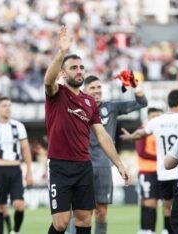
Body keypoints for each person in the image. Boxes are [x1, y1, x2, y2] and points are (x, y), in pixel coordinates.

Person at [44, 26, 131, 234]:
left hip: (84, 166)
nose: (79, 71)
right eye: (74, 67)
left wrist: (119, 164)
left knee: (84, 220)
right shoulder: (57, 93)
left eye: (82, 67)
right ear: (63, 73)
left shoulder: (89, 101)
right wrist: (62, 52)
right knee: (61, 223)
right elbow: (48, 80)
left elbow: (101, 134)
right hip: (60, 166)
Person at [65, 74, 147, 234]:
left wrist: (134, 84)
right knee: (81, 212)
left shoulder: (111, 107)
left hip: (104, 166)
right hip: (82, 165)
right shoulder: (75, 108)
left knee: (101, 213)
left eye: (99, 87)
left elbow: (142, 103)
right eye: (92, 88)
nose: (96, 91)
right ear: (84, 91)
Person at [120, 89, 178, 234]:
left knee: (167, 207)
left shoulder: (156, 122)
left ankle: (166, 231)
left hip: (163, 174)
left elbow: (140, 134)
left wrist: (130, 137)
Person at [0, 97, 33, 234]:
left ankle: (15, 231)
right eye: (4, 106)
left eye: (9, 105)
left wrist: (29, 171)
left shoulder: (18, 126)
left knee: (19, 205)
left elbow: (25, 149)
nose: (8, 108)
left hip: (16, 169)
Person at [135, 108, 163, 234]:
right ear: (148, 117)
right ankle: (146, 230)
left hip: (162, 172)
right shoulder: (143, 129)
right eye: (153, 116)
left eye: (158, 116)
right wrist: (163, 156)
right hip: (147, 171)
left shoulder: (163, 130)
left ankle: (156, 229)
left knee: (161, 202)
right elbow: (142, 152)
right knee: (148, 202)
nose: (156, 118)